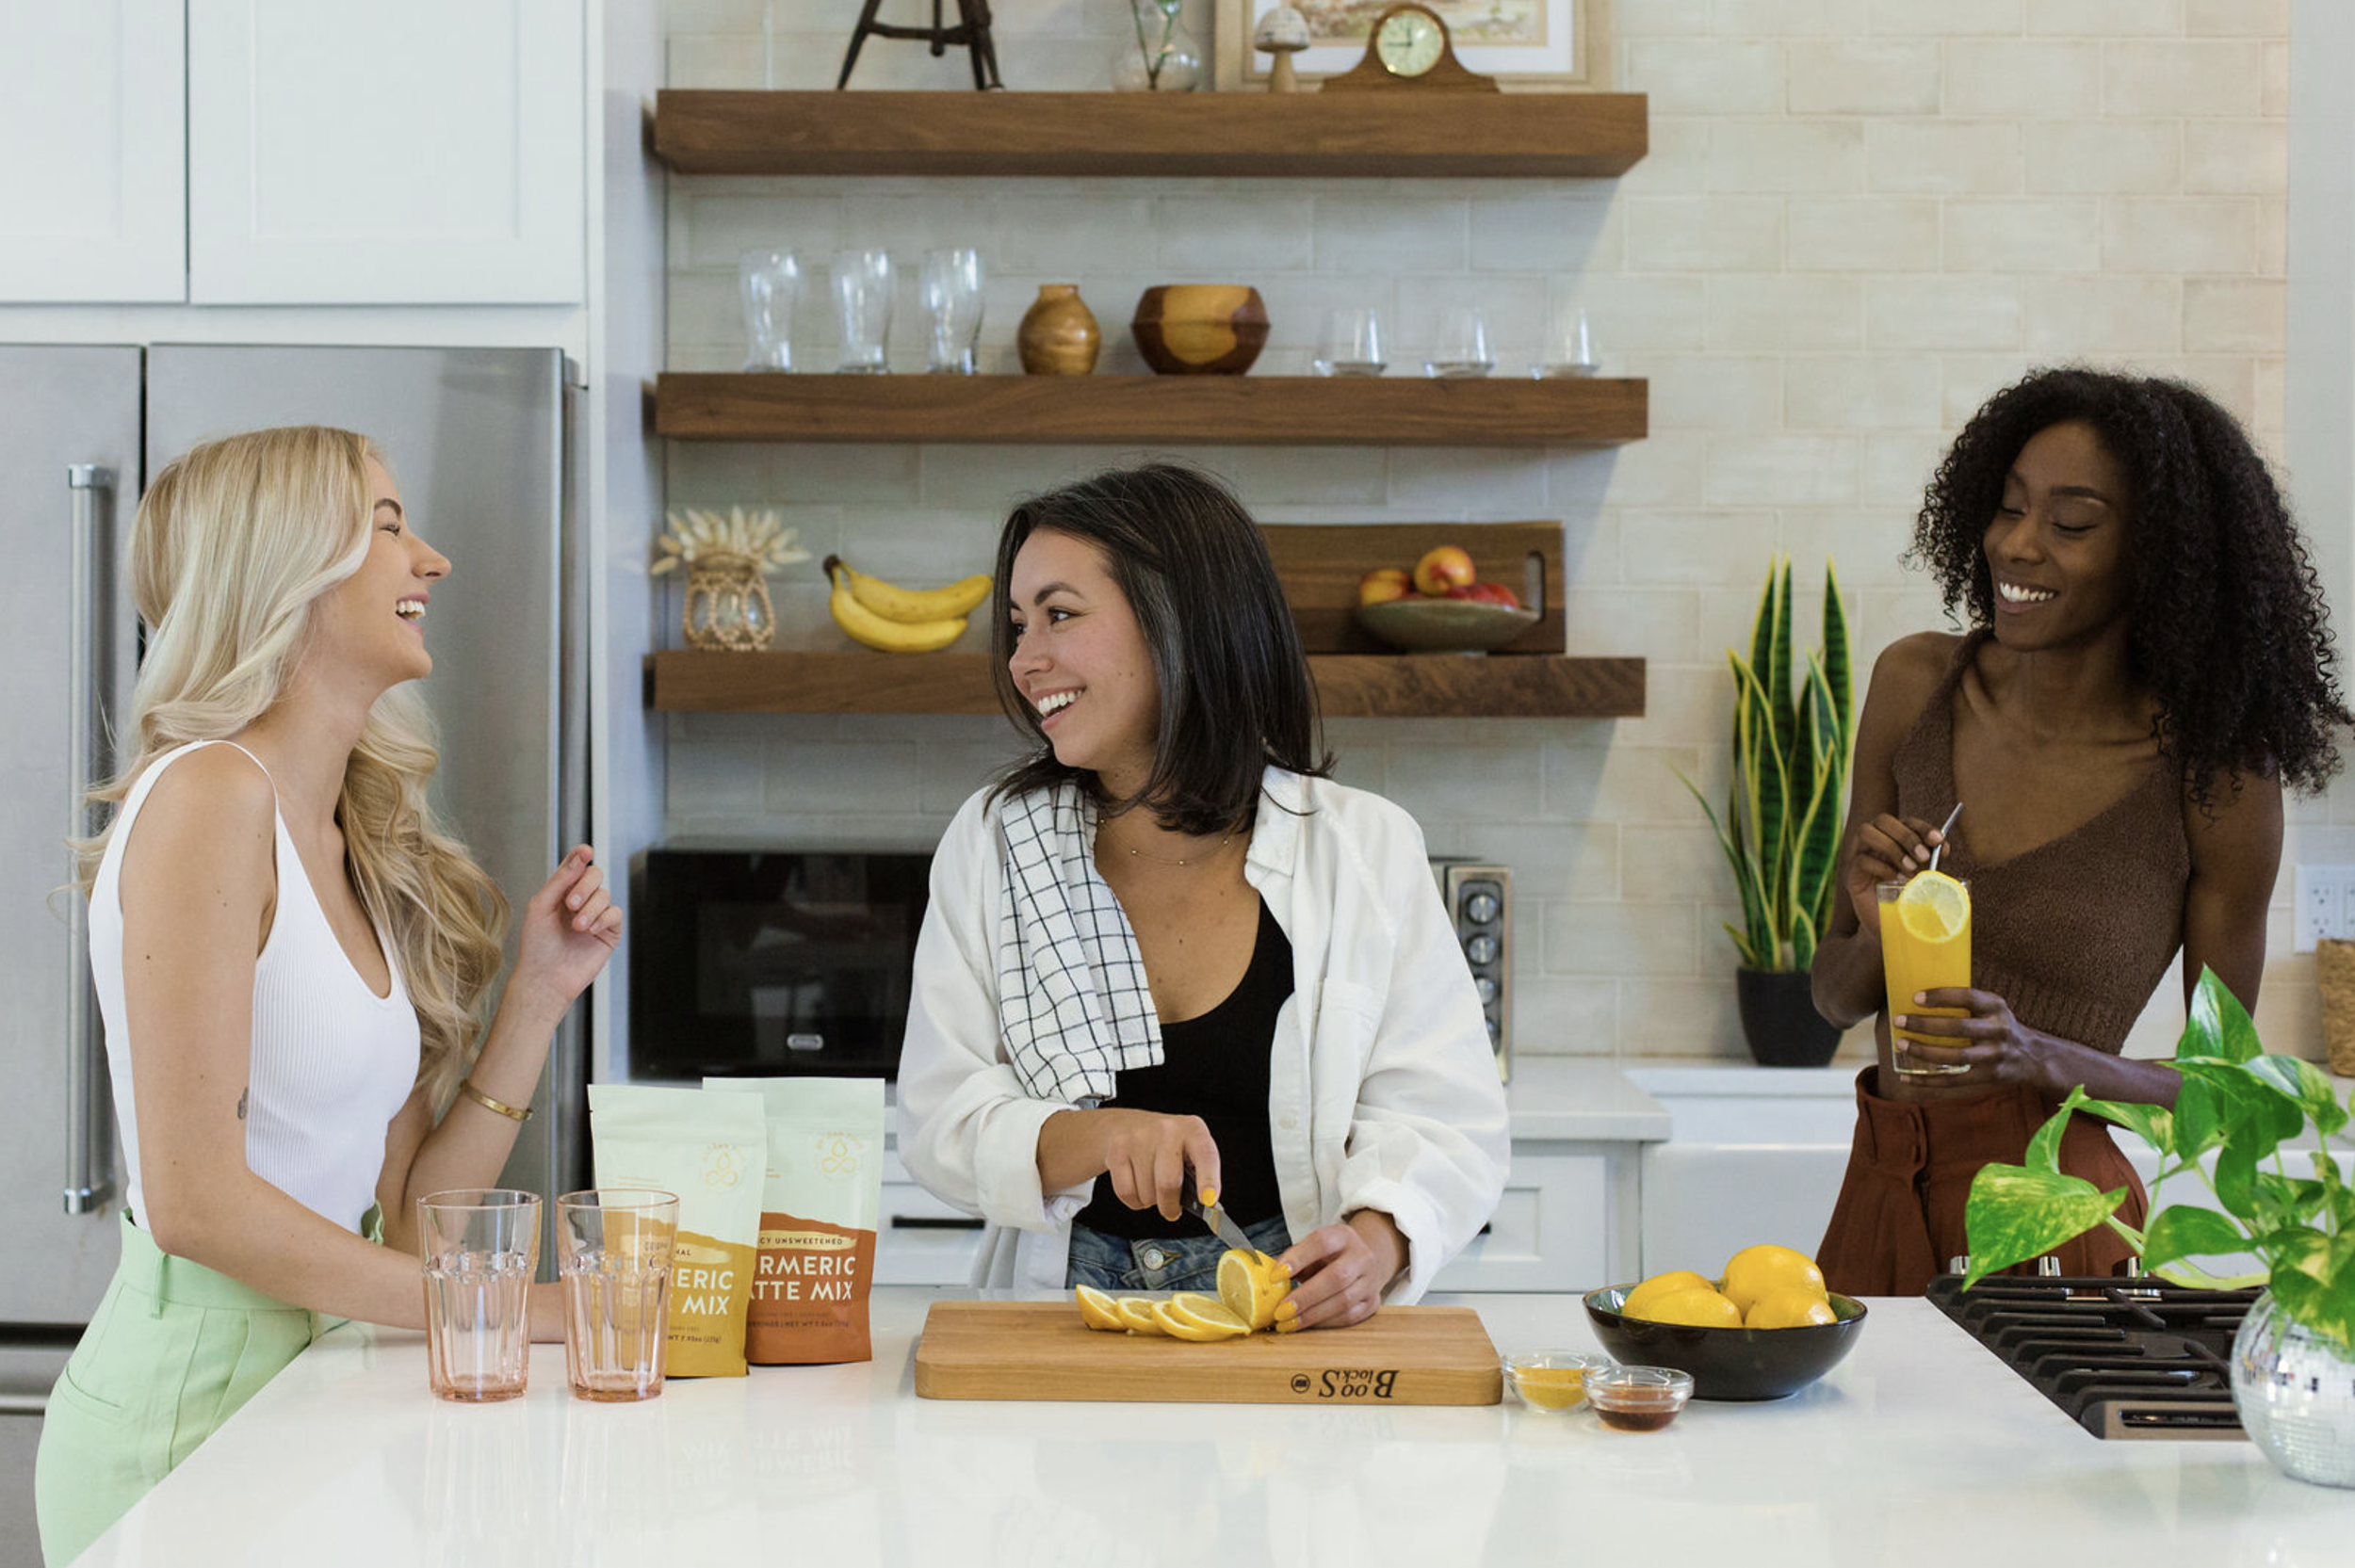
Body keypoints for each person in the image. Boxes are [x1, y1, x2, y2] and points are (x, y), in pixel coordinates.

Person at [35, 428, 620, 1563]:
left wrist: (538, 1000)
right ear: (285, 566)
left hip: (327, 1393)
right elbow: (196, 1203)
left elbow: (399, 1219)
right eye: (388, 527)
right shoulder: (210, 793)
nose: (431, 559)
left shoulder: (355, 838)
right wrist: (516, 1308)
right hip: (192, 1413)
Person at [895, 463, 1509, 1327]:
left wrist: (1373, 1246)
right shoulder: (996, 840)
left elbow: (1447, 1123)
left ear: (1178, 620)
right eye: (1019, 624)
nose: (1024, 660)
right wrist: (1104, 1135)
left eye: (1060, 615)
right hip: (1063, 1314)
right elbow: (939, 1119)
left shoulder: (1363, 847)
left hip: (1291, 1315)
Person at [1809, 367, 2349, 1296]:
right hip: (1879, 1187)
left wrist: (2041, 1056)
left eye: (2070, 523)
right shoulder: (1913, 685)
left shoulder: (2214, 770)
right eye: (2009, 507)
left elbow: (2225, 1096)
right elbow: (1831, 997)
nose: (2017, 545)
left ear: (2156, 555)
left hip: (2060, 1223)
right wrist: (1874, 925)